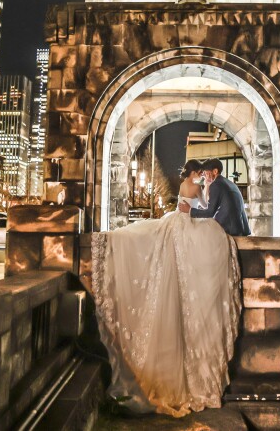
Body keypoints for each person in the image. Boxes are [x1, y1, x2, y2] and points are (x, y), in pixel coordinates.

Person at [92, 159, 241, 418]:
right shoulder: (195, 185)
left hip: (176, 224)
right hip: (187, 227)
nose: (202, 176)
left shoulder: (185, 184)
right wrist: (205, 196)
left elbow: (187, 208)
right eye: (200, 173)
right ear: (196, 172)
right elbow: (205, 210)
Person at [178, 158, 250, 237]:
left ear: (215, 171)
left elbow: (210, 212)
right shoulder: (230, 183)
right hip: (241, 228)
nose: (204, 177)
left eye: (205, 173)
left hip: (228, 228)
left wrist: (190, 210)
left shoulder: (216, 185)